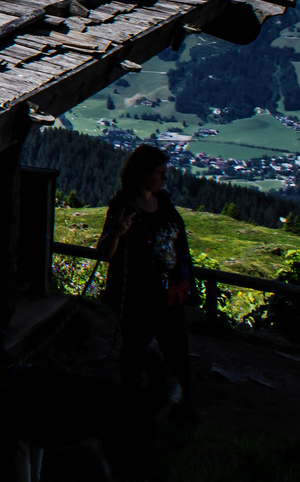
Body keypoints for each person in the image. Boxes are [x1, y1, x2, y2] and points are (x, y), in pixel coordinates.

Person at [96, 144, 196, 423]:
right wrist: (117, 233)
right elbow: (104, 252)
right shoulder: (123, 207)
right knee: (134, 354)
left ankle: (182, 409)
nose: (165, 178)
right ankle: (128, 412)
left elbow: (179, 246)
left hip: (168, 296)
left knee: (177, 352)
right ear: (142, 173)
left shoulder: (163, 202)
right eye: (160, 173)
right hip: (138, 298)